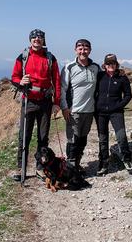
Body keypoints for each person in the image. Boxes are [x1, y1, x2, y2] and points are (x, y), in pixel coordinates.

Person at [11, 29, 61, 181]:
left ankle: (40, 167)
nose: (37, 39)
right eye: (34, 37)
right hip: (29, 100)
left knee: (43, 137)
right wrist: (20, 82)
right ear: (30, 40)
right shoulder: (23, 57)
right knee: (24, 136)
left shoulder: (50, 58)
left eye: (40, 37)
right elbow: (14, 76)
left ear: (43, 40)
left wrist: (56, 103)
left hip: (45, 101)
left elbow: (57, 81)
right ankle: (21, 168)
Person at [60, 39, 100, 175]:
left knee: (83, 139)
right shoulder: (69, 67)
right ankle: (70, 169)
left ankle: (76, 165)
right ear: (75, 50)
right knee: (73, 140)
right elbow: (62, 89)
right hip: (73, 111)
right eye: (80, 48)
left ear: (90, 50)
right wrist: (65, 108)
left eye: (86, 48)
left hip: (89, 110)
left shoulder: (96, 67)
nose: (83, 51)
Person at [94, 53, 132, 176]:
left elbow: (128, 95)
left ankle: (127, 160)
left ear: (116, 65)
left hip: (116, 112)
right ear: (104, 65)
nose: (110, 65)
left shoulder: (122, 78)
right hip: (100, 113)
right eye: (108, 63)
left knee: (121, 136)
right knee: (103, 139)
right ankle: (104, 162)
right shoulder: (100, 76)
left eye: (113, 63)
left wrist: (118, 106)